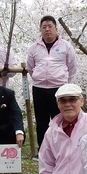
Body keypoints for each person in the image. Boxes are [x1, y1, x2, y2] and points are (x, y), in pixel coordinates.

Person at [26, 16, 77, 149]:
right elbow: (31, 68)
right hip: (39, 88)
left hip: (59, 89)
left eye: (50, 27)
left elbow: (72, 67)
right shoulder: (34, 48)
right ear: (40, 29)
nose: (47, 30)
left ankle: (61, 148)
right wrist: (39, 77)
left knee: (60, 118)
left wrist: (63, 81)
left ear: (56, 28)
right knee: (41, 121)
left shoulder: (66, 46)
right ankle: (43, 149)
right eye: (44, 27)